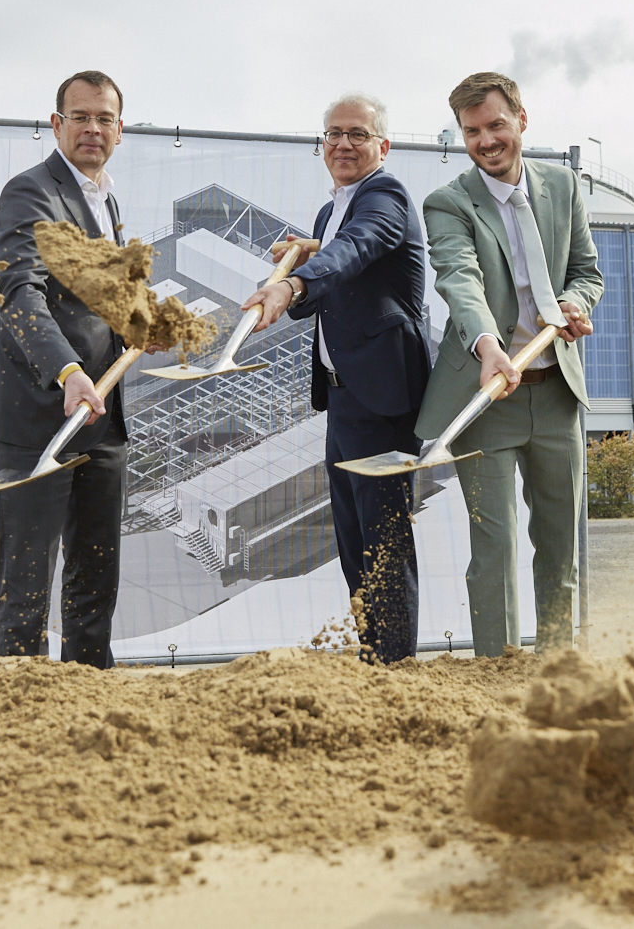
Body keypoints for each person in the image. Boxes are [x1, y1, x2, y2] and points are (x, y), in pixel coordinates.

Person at [0, 69, 147, 666]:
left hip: (102, 413)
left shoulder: (106, 197)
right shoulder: (31, 192)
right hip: (40, 409)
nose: (93, 129)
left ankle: (91, 694)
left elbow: (97, 298)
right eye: (82, 117)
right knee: (27, 577)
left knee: (97, 568)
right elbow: (22, 292)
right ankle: (19, 705)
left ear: (120, 129)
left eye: (105, 119)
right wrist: (68, 373)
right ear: (56, 124)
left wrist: (141, 320)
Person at [417, 72, 603, 656]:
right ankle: (496, 673)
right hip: (488, 393)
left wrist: (575, 302)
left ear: (522, 119)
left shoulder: (563, 186)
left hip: (556, 394)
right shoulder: (448, 203)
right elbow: (459, 279)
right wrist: (487, 344)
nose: (486, 140)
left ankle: (555, 665)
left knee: (558, 542)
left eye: (496, 125)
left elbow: (586, 271)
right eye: (472, 131)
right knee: (494, 547)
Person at [245, 94, 431, 663]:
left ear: (383, 145)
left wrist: (294, 283)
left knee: (383, 538)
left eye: (357, 134)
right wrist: (302, 263)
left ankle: (393, 665)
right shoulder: (331, 212)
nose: (343, 144)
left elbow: (356, 251)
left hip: (382, 398)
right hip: (345, 397)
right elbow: (337, 274)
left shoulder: (385, 195)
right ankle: (374, 653)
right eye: (333, 134)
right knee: (353, 537)